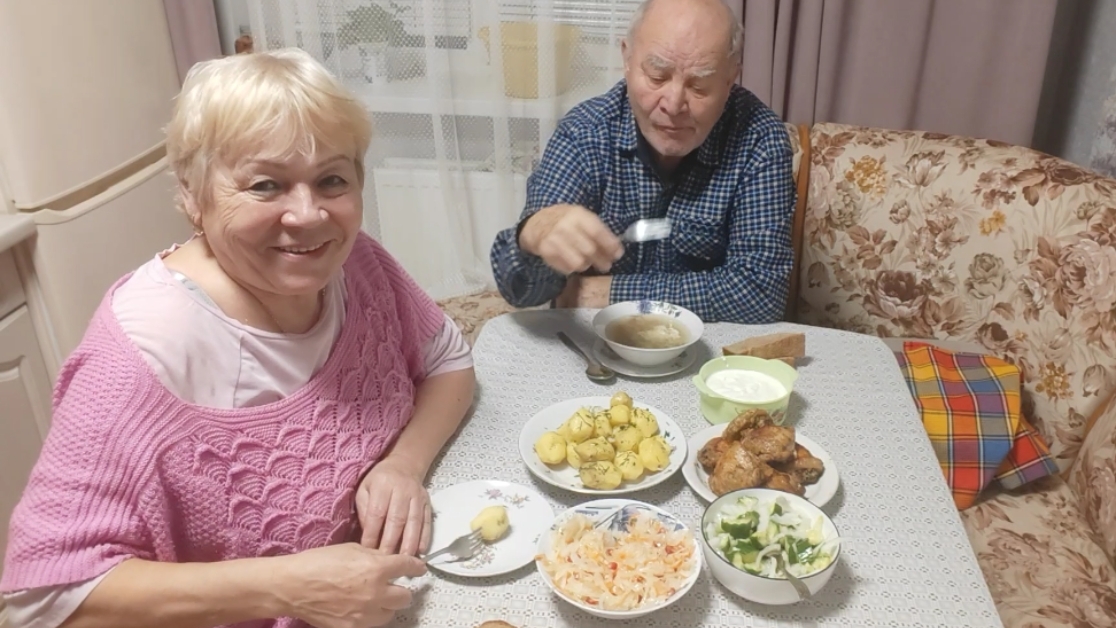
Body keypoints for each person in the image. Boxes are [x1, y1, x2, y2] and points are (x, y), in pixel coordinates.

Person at [0, 48, 476, 628]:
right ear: (192, 196)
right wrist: (287, 588)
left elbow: (447, 359)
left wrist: (403, 464)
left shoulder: (355, 263)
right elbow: (44, 600)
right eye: (265, 185)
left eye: (331, 179)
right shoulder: (146, 348)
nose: (308, 215)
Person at [489, 0, 796, 323]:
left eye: (699, 85)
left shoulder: (759, 139)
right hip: (597, 343)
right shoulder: (585, 133)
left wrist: (610, 293)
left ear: (731, 77)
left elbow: (762, 293)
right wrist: (534, 233)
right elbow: (521, 291)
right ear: (627, 58)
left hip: (708, 348)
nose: (673, 105)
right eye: (657, 76)